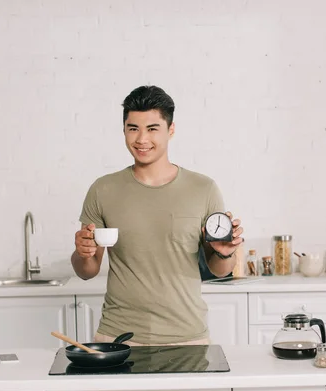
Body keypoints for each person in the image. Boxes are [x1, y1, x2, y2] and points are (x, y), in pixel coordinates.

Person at [71, 85, 244, 346]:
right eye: (133, 128)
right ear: (124, 130)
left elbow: (220, 271)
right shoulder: (103, 189)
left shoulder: (203, 189)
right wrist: (82, 253)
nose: (142, 139)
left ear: (170, 130)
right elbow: (87, 271)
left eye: (152, 129)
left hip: (188, 337)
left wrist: (224, 252)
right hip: (119, 337)